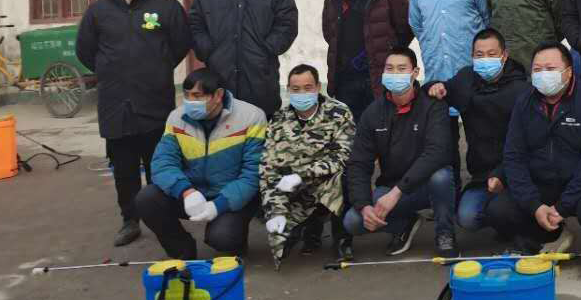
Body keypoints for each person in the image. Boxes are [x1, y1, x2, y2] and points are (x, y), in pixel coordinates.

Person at [76, 0, 192, 247]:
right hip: (115, 103)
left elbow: (181, 44)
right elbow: (85, 51)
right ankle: (130, 220)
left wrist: (157, 68)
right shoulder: (98, 11)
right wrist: (111, 71)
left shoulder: (167, 6)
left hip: (155, 101)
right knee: (124, 169)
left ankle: (164, 217)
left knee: (159, 165)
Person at [487, 42, 581, 274]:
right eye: (537, 69)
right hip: (543, 181)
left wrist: (562, 207)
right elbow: (514, 156)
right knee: (499, 210)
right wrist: (535, 205)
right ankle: (554, 235)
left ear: (568, 72)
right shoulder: (524, 101)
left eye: (550, 68)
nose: (543, 74)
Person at [135, 69, 265, 260]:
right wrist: (185, 191)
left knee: (223, 237)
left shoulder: (251, 117)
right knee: (147, 199)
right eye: (187, 95)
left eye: (197, 96)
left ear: (218, 95)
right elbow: (162, 163)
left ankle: (235, 242)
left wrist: (219, 205)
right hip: (192, 192)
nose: (190, 102)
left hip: (229, 194)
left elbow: (252, 175)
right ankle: (182, 250)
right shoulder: (177, 118)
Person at [343, 47, 459, 256]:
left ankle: (445, 234)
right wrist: (364, 205)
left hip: (426, 187)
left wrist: (397, 193)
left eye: (401, 68)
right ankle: (404, 224)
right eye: (390, 69)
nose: (395, 73)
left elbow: (438, 152)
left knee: (442, 176)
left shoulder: (433, 105)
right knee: (353, 221)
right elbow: (358, 163)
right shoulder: (373, 112)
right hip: (391, 188)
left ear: (415, 73)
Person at [189, 0, 298, 118]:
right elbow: (195, 25)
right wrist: (208, 50)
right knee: (221, 128)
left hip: (260, 77)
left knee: (260, 127)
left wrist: (266, 49)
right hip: (219, 76)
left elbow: (287, 24)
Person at [260, 65, 356, 266]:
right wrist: (275, 212)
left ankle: (342, 239)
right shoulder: (278, 119)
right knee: (278, 237)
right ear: (288, 89)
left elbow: (342, 156)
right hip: (294, 188)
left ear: (318, 87)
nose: (302, 93)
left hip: (328, 181)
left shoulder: (339, 112)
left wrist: (302, 175)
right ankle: (306, 230)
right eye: (296, 89)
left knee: (346, 177)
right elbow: (268, 167)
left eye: (307, 87)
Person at [439, 28, 531, 238]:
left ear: (504, 55)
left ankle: (518, 227)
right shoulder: (466, 79)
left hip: (518, 171)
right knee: (467, 217)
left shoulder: (521, 90)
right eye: (479, 55)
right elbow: (444, 88)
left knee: (505, 209)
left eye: (492, 54)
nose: (485, 60)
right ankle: (502, 222)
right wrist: (434, 87)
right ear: (472, 57)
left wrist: (501, 174)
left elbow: (530, 144)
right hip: (482, 176)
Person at [322, 0, 412, 121]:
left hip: (378, 78)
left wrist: (388, 54)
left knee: (381, 127)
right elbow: (329, 31)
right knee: (350, 131)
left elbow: (405, 30)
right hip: (345, 79)